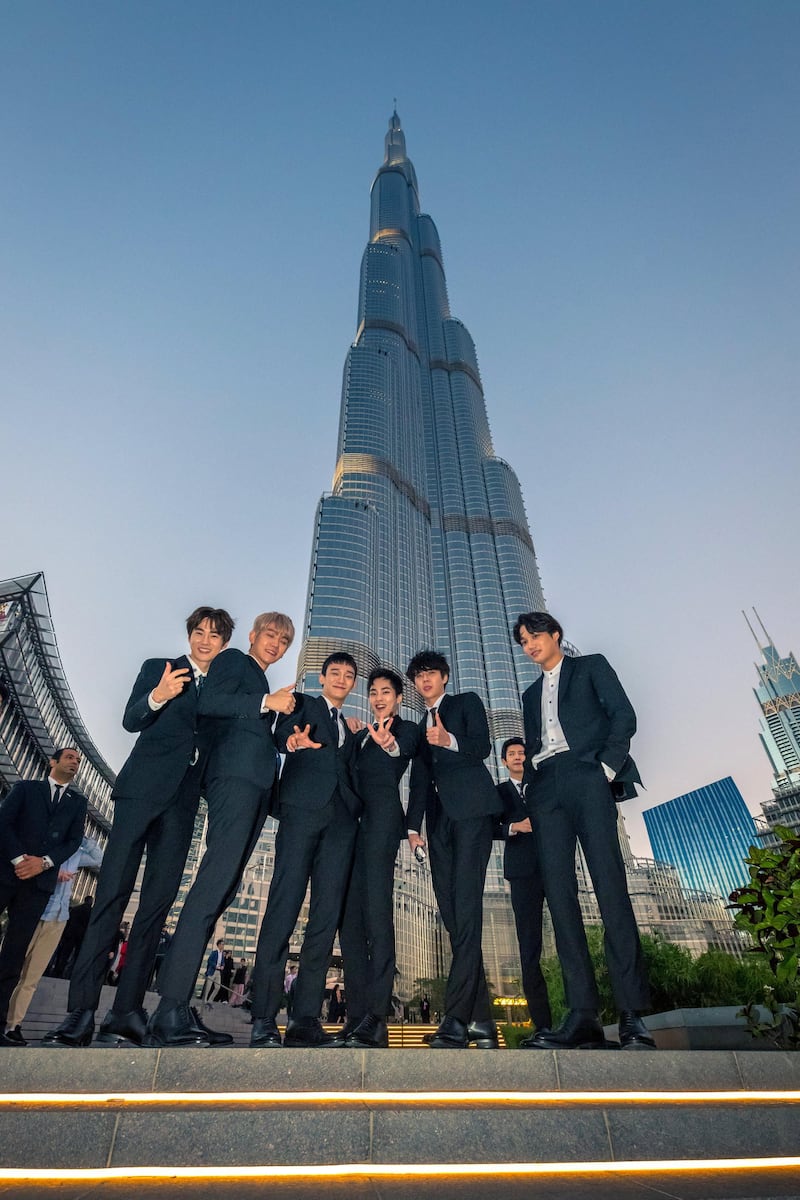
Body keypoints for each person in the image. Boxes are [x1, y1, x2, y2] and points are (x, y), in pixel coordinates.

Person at [42, 607, 234, 1050]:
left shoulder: (223, 689)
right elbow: (132, 720)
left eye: (215, 635)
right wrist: (159, 695)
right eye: (199, 632)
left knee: (156, 908)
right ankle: (81, 1013)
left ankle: (126, 1012)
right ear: (190, 635)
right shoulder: (159, 669)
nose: (205, 640)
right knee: (111, 897)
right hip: (140, 794)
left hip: (184, 806)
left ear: (224, 643)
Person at [146, 611, 296, 1047]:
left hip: (254, 789)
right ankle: (169, 1009)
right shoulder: (233, 661)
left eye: (283, 641)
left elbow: (243, 727)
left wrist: (283, 739)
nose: (276, 644)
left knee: (222, 892)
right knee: (211, 888)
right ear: (253, 636)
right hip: (233, 782)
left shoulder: (260, 681)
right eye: (270, 635)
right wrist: (266, 705)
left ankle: (179, 1006)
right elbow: (208, 702)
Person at [513, 611, 654, 1050]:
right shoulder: (529, 691)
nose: (529, 644)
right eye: (522, 641)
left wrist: (606, 769)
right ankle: (583, 1016)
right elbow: (533, 744)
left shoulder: (590, 666)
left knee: (610, 888)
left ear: (555, 634)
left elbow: (623, 715)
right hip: (546, 788)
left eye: (535, 635)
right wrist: (535, 787)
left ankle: (632, 1015)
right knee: (559, 895)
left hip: (589, 775)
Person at [247, 652, 361, 1049]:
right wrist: (294, 741)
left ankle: (305, 1019)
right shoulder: (306, 705)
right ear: (323, 677)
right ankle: (263, 1017)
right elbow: (283, 736)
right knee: (284, 905)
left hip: (342, 824)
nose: (342, 680)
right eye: (336, 673)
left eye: (349, 676)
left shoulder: (350, 725)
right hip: (300, 813)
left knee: (325, 919)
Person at [405, 652, 502, 1050]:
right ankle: (482, 1021)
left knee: (467, 910)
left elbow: (483, 747)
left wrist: (450, 740)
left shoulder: (466, 703)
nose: (424, 680)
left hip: (472, 815)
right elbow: (419, 779)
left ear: (444, 677)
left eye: (431, 673)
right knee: (452, 916)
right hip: (438, 823)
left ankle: (457, 1020)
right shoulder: (419, 725)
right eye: (419, 676)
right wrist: (412, 826)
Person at [338, 668, 418, 1048]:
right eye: (373, 692)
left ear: (399, 698)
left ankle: (378, 1016)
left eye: (386, 692)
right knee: (349, 922)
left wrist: (388, 745)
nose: (379, 697)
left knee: (377, 915)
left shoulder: (403, 730)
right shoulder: (360, 736)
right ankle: (355, 1016)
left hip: (382, 825)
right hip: (351, 828)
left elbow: (401, 750)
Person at [0, 747, 87, 1046]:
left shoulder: (78, 803)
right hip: (6, 874)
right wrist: (18, 859)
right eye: (70, 758)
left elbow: (74, 841)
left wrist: (45, 862)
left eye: (78, 761)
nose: (75, 763)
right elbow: (3, 823)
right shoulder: (26, 789)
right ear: (53, 762)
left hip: (39, 885)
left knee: (14, 956)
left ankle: (2, 1025)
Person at [4, 835, 102, 1045]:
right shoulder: (44, 843)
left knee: (31, 979)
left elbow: (99, 858)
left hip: (59, 918)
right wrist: (52, 873)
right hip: (34, 912)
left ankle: (14, 1025)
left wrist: (84, 839)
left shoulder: (76, 853)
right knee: (11, 970)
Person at [495, 737, 552, 1040]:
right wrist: (515, 827)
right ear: (504, 761)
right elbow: (489, 825)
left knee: (570, 939)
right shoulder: (499, 792)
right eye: (512, 754)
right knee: (529, 947)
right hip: (522, 873)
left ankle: (582, 1018)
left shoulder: (545, 784)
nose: (517, 757)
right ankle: (542, 1026)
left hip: (555, 867)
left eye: (521, 753)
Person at [200, 939, 225, 1007]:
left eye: (223, 944)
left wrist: (222, 965)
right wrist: (215, 966)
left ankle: (210, 1000)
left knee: (217, 987)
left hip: (218, 972)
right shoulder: (214, 952)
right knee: (208, 987)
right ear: (219, 945)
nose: (223, 946)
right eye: (222, 944)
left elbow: (222, 961)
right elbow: (209, 961)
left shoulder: (222, 954)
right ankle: (205, 1001)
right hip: (212, 971)